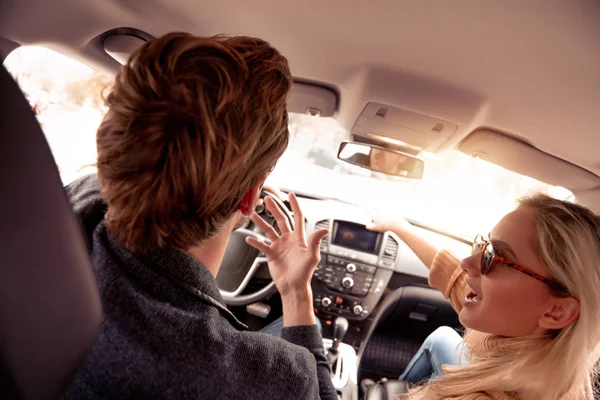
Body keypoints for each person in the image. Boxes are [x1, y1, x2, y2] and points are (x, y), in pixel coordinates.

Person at [63, 32, 337, 399]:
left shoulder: (66, 211)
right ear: (250, 196)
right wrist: (296, 293)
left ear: (111, 153)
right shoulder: (275, 380)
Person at [365, 195, 600, 399]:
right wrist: (399, 226)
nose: (468, 263)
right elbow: (452, 275)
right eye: (485, 247)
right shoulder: (544, 343)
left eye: (495, 259)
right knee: (442, 337)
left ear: (557, 312)